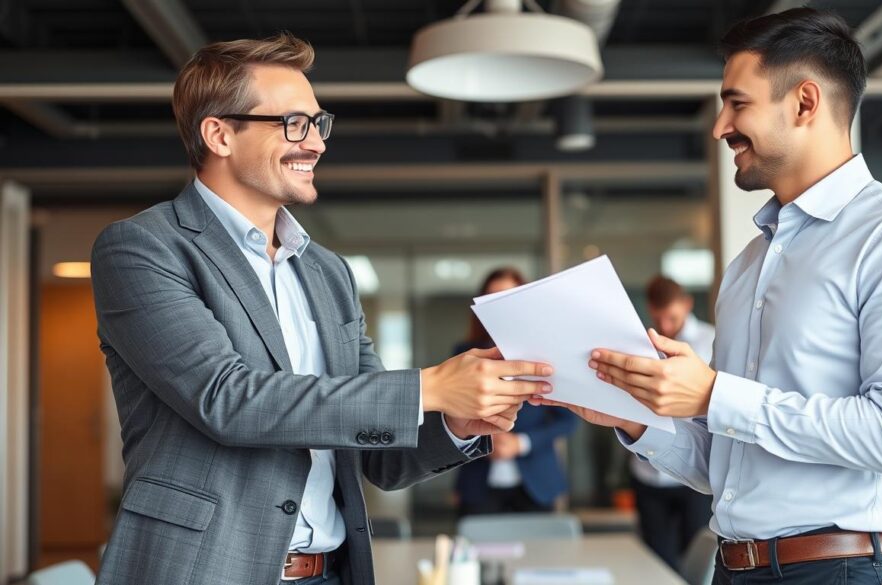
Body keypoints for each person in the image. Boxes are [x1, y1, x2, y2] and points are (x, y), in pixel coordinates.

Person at [90, 34, 553, 585]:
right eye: (293, 124)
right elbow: (226, 399)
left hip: (332, 573)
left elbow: (378, 455)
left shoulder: (327, 272)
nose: (316, 143)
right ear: (219, 134)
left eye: (317, 124)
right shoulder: (143, 248)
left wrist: (454, 421)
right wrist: (430, 387)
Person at [533, 8, 882, 584]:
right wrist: (635, 417)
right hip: (736, 568)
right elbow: (728, 469)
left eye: (736, 103)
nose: (719, 126)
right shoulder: (748, 266)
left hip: (844, 573)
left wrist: (716, 393)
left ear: (805, 103)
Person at [453, 268, 578, 516]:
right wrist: (484, 440)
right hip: (478, 482)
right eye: (491, 300)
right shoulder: (465, 354)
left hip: (536, 482)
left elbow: (569, 421)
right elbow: (450, 417)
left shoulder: (546, 355)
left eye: (507, 299)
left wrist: (521, 443)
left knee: (541, 555)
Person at [630, 276, 714, 572]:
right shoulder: (639, 344)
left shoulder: (711, 342)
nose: (665, 326)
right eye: (658, 318)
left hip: (694, 474)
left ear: (687, 305)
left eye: (672, 317)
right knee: (655, 558)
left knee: (698, 556)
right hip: (648, 472)